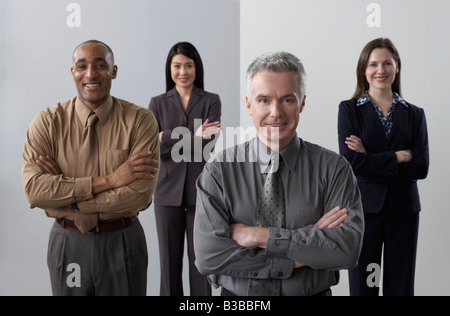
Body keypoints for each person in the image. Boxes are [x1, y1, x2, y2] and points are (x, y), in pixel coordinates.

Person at [194, 51, 364, 296]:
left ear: (302, 102)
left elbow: (346, 249)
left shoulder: (334, 169)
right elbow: (208, 255)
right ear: (248, 104)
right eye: (264, 100)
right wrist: (299, 254)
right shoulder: (219, 171)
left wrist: (255, 235)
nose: (275, 112)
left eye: (287, 100)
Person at [22, 40, 160, 296]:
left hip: (121, 241)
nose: (90, 74)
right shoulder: (47, 122)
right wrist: (111, 180)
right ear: (72, 72)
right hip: (68, 242)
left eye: (100, 65)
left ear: (114, 71)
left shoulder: (140, 121)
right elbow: (34, 191)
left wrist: (63, 199)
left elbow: (139, 195)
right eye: (82, 66)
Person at [338, 38, 429, 296]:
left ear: (397, 67)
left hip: (404, 210)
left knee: (400, 285)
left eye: (387, 63)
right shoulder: (349, 110)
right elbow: (352, 163)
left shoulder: (414, 114)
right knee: (363, 284)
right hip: (364, 210)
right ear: (364, 70)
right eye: (373, 64)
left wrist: (372, 157)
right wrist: (399, 156)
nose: (381, 70)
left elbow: (421, 168)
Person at [148, 42, 221, 296]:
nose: (183, 71)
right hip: (167, 193)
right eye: (177, 66)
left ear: (196, 68)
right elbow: (152, 146)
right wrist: (193, 134)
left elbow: (207, 144)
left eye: (188, 65)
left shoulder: (211, 101)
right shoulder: (157, 103)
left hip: (201, 191)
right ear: (170, 69)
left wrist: (166, 138)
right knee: (168, 265)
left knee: (201, 263)